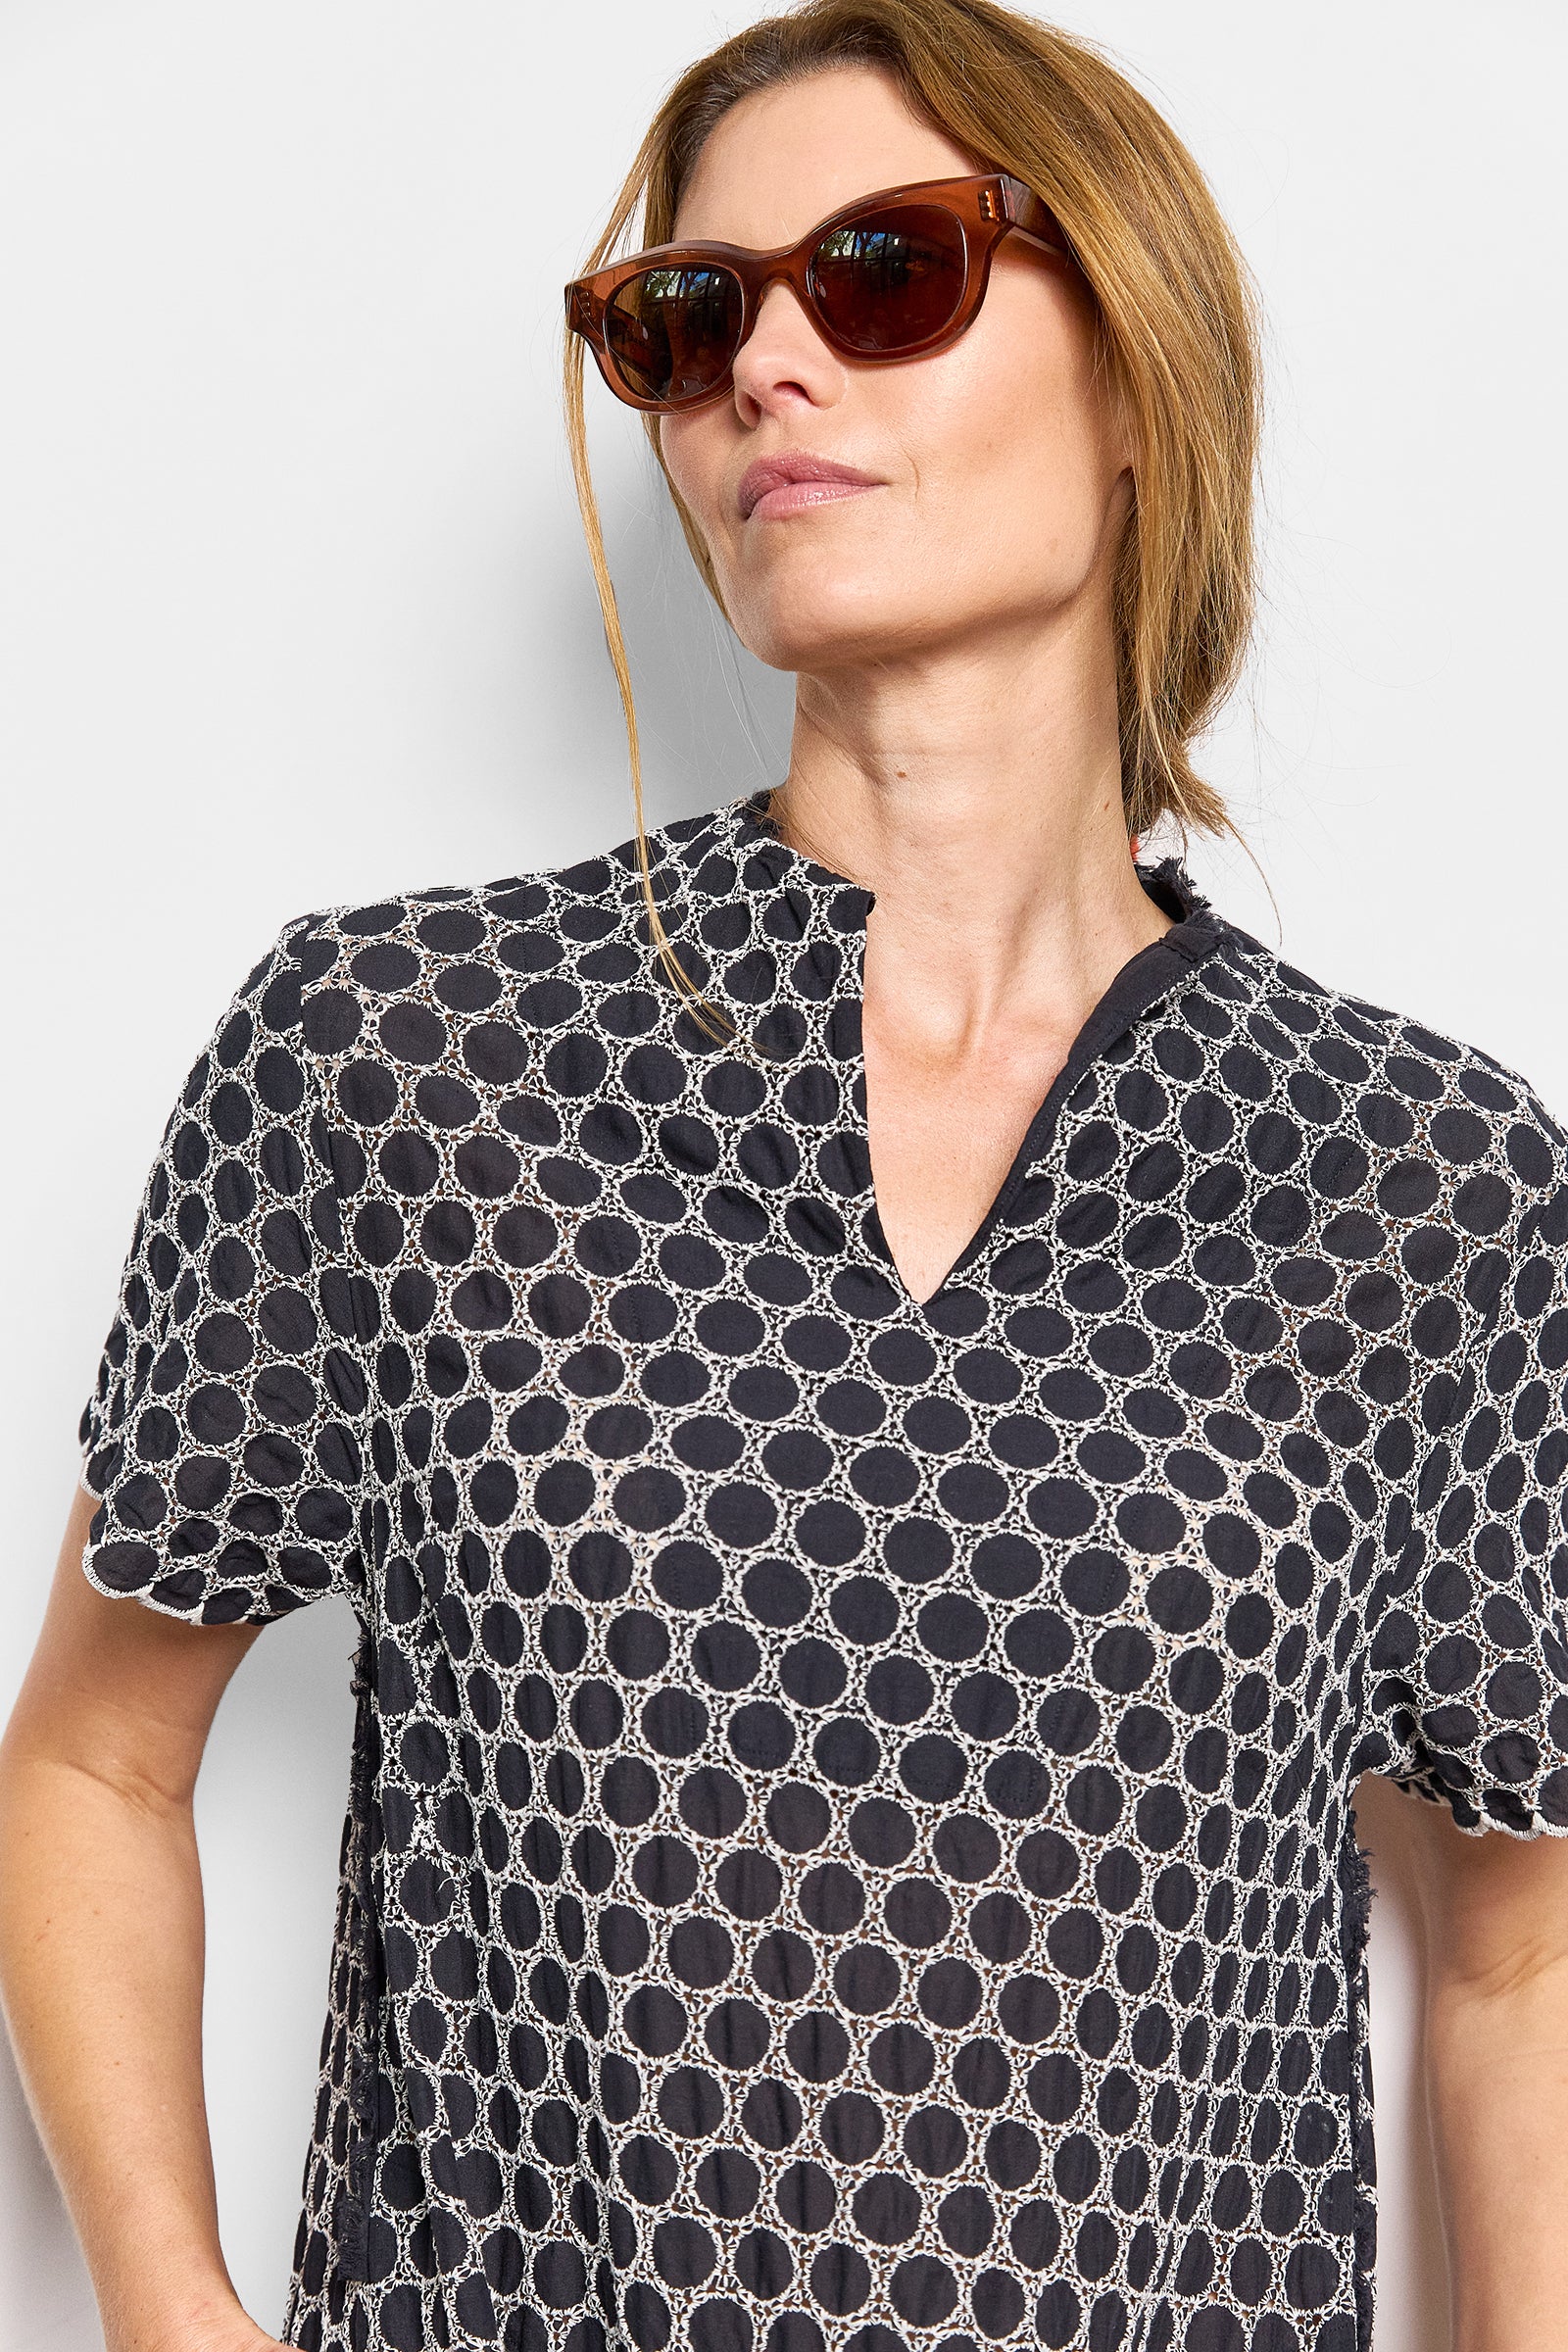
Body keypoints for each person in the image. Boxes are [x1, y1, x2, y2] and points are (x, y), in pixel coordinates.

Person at [3, 1, 1567, 2348]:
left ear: (1136, 372)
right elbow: (95, 1760)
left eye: (884, 268)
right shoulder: (402, 1062)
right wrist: (166, 2308)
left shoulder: (1424, 1194)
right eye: (684, 314)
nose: (764, 367)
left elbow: (1518, 1955)